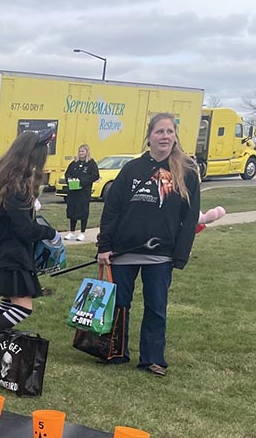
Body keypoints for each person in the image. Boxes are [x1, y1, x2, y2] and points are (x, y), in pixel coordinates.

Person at [96, 112, 201, 376]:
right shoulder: (131, 169)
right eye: (159, 131)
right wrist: (104, 246)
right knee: (119, 304)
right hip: (124, 252)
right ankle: (115, 351)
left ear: (175, 137)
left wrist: (180, 254)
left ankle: (153, 358)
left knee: (156, 307)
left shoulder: (186, 173)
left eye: (169, 132)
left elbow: (189, 218)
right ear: (149, 136)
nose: (164, 136)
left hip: (160, 255)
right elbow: (112, 209)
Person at [0, 130, 60, 373]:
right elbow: (24, 229)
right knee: (23, 306)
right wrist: (50, 234)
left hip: (6, 251)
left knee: (9, 303)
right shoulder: (17, 187)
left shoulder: (11, 182)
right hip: (11, 253)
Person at [63, 143, 100, 240]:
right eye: (79, 151)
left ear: (87, 152)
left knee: (83, 212)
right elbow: (67, 173)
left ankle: (82, 232)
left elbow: (95, 175)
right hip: (73, 192)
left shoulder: (91, 164)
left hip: (84, 192)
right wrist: (70, 180)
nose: (80, 153)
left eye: (82, 151)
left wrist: (82, 181)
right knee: (72, 211)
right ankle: (71, 232)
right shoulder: (74, 163)